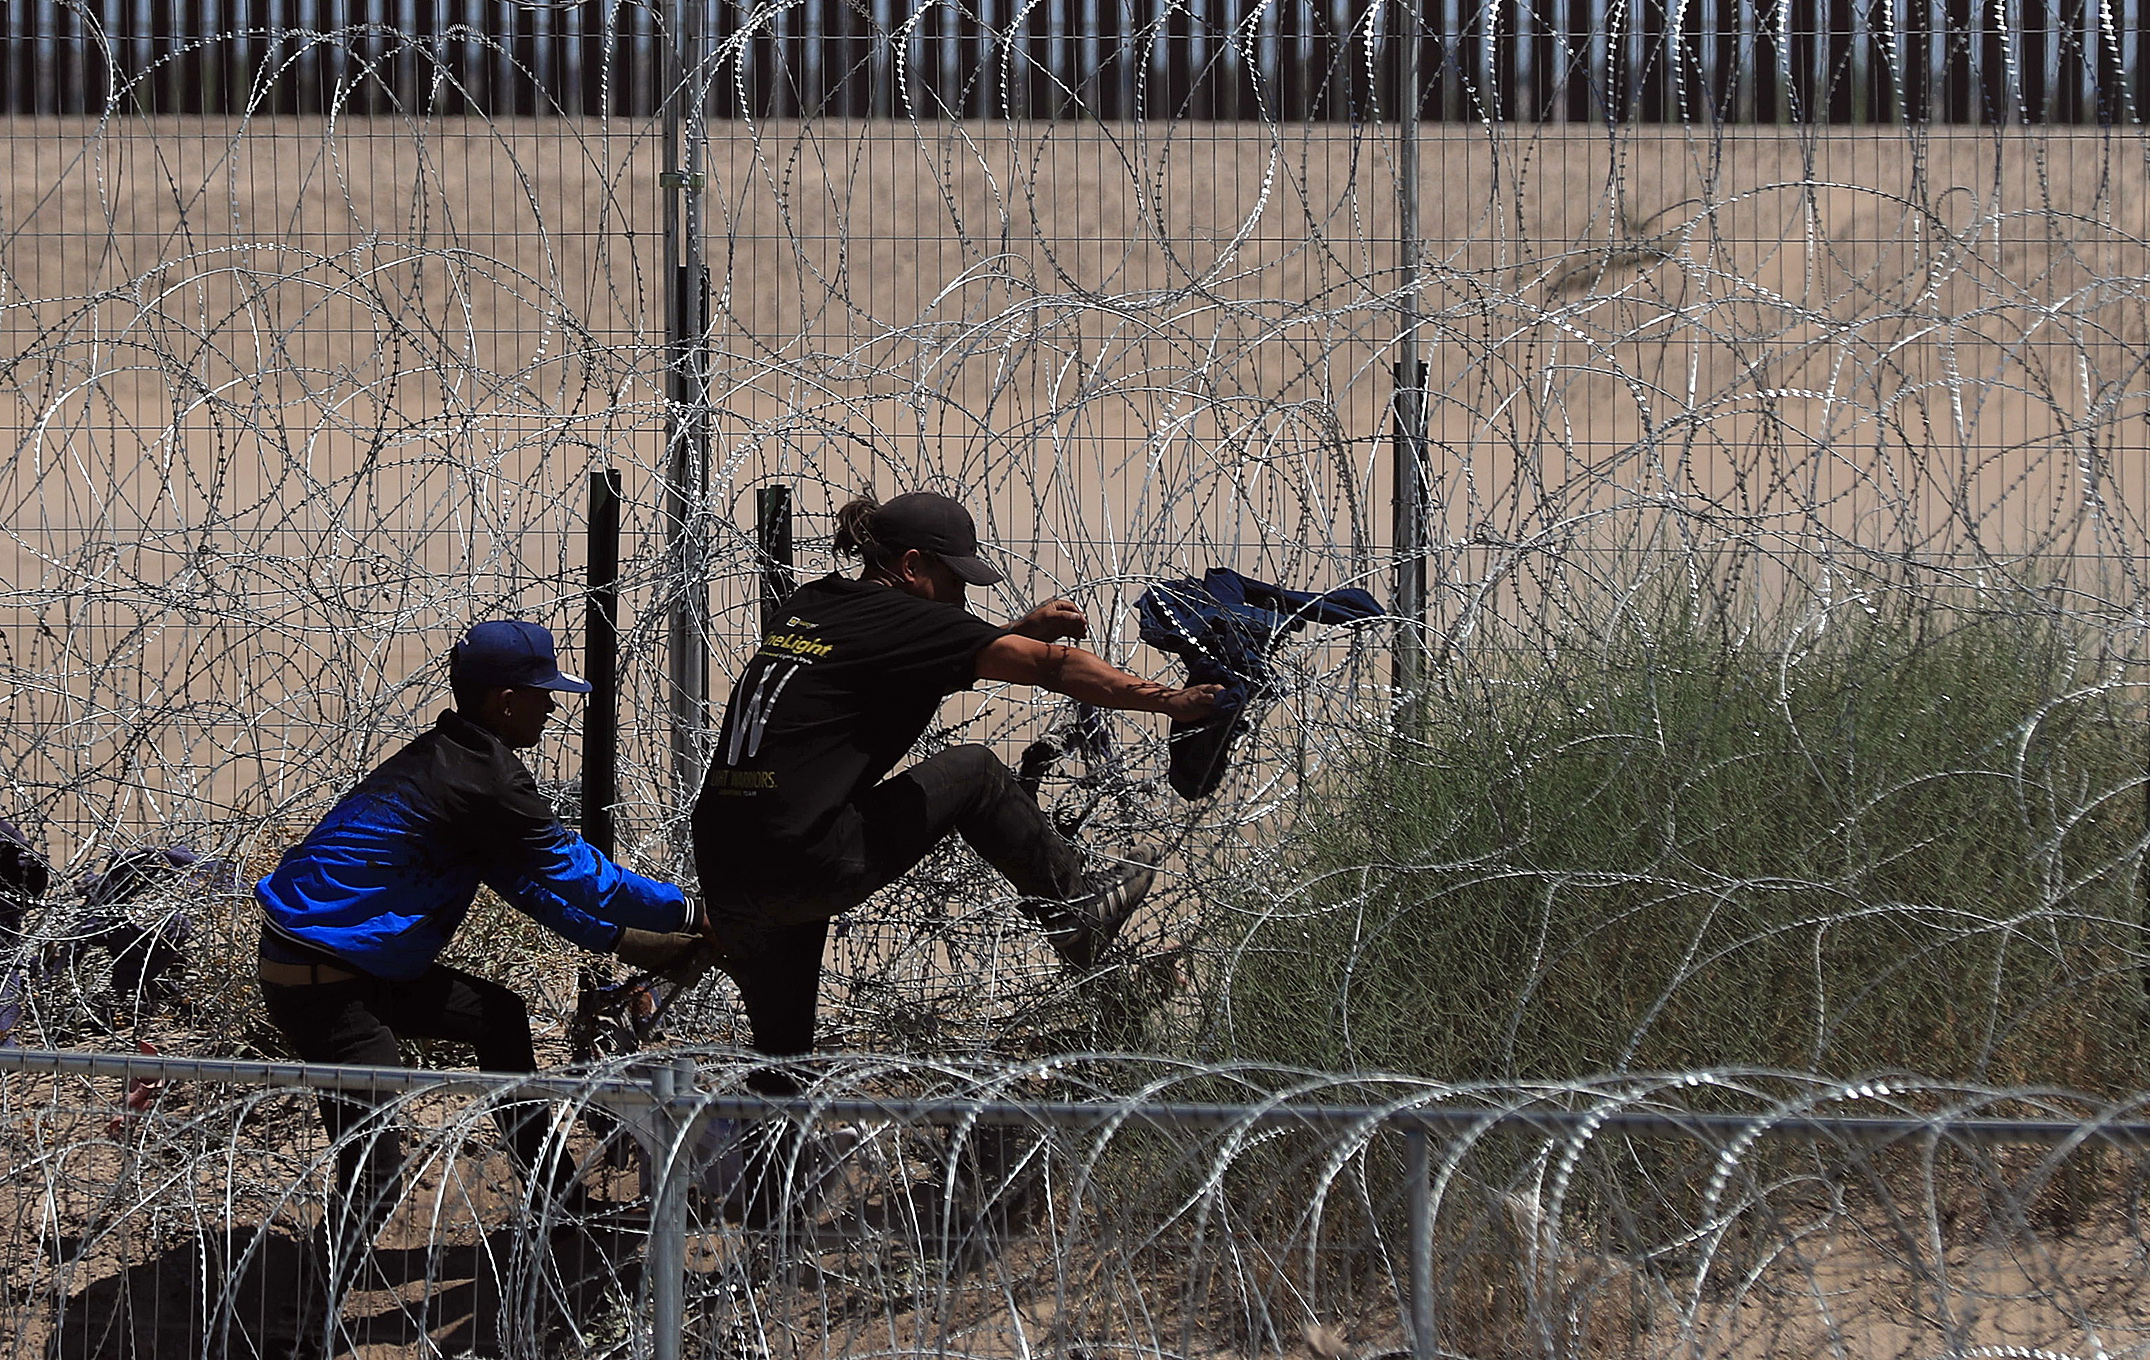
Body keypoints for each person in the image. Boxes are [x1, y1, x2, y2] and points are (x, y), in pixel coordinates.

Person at [691, 491, 1222, 1097]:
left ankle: (768, 1189)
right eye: (955, 581)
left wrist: (1013, 633)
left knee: (781, 1070)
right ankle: (1077, 915)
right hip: (806, 860)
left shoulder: (816, 605)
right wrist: (1169, 700)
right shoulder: (906, 620)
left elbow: (916, 658)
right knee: (975, 772)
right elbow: (1053, 668)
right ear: (913, 567)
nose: (962, 599)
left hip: (729, 872)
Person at [255, 619, 708, 1242]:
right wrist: (690, 914)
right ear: (505, 701)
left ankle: (559, 1204)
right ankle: (300, 1329)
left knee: (497, 1018)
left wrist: (630, 942)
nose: (552, 708)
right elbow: (583, 878)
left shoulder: (453, 761)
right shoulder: (483, 780)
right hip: (327, 986)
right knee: (375, 1170)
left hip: (343, 966)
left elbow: (525, 884)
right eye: (543, 693)